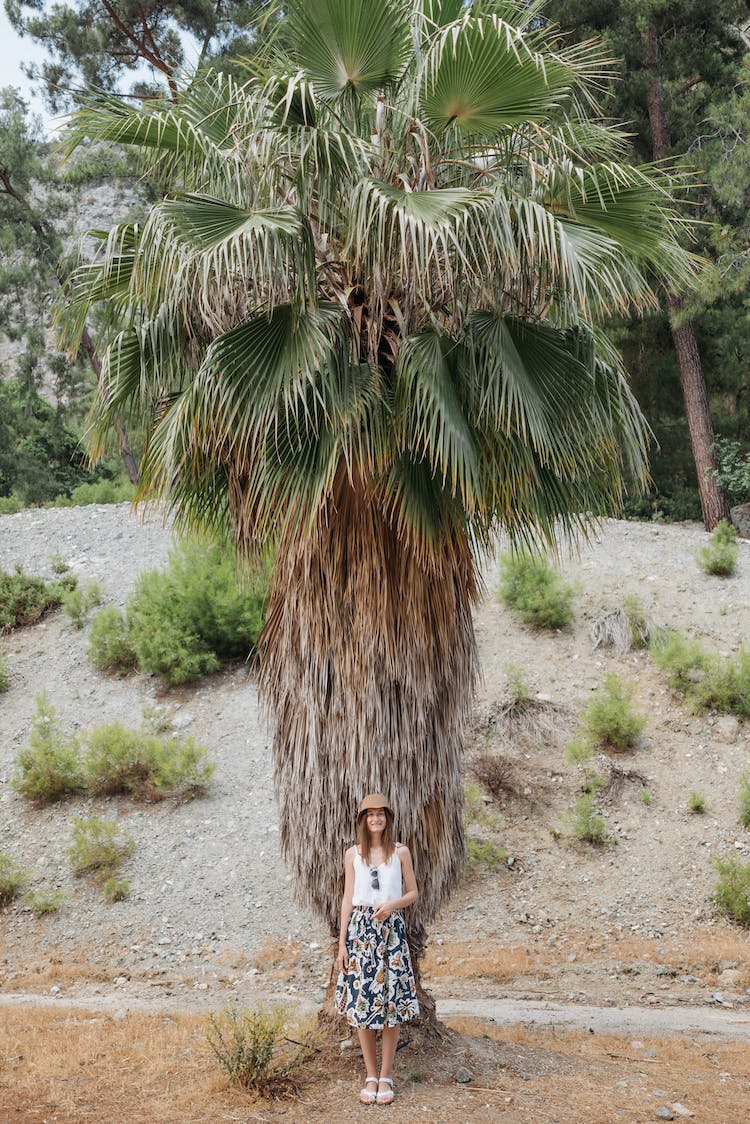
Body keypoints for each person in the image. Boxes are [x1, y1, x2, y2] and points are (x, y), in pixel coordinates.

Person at [335, 792, 420, 1106]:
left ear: (387, 818)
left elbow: (413, 893)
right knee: (363, 1006)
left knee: (390, 1006)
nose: (375, 819)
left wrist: (392, 905)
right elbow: (347, 899)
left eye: (380, 814)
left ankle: (386, 1075)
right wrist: (342, 944)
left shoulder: (400, 852)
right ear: (362, 819)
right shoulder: (352, 854)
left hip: (391, 932)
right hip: (360, 934)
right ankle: (370, 1074)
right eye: (369, 814)